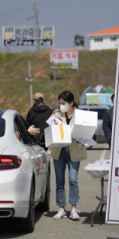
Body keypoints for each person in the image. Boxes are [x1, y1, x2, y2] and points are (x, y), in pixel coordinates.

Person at [48, 91, 87, 220]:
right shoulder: (56, 114)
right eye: (60, 103)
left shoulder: (81, 115)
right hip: (59, 150)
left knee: (72, 180)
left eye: (63, 103)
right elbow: (51, 131)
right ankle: (61, 209)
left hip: (74, 151)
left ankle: (74, 209)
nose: (61, 106)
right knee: (59, 181)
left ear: (71, 103)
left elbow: (88, 132)